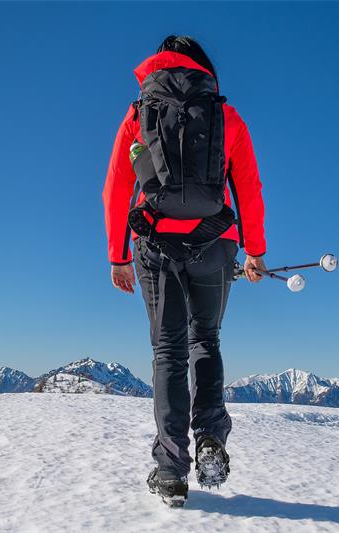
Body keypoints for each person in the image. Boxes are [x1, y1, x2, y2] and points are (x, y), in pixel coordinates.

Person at [102, 35, 267, 507]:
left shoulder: (138, 115)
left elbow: (116, 186)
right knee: (205, 340)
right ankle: (210, 436)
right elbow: (248, 186)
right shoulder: (225, 115)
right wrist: (255, 251)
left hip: (155, 244)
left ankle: (171, 470)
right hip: (216, 242)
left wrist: (117, 255)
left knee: (168, 351)